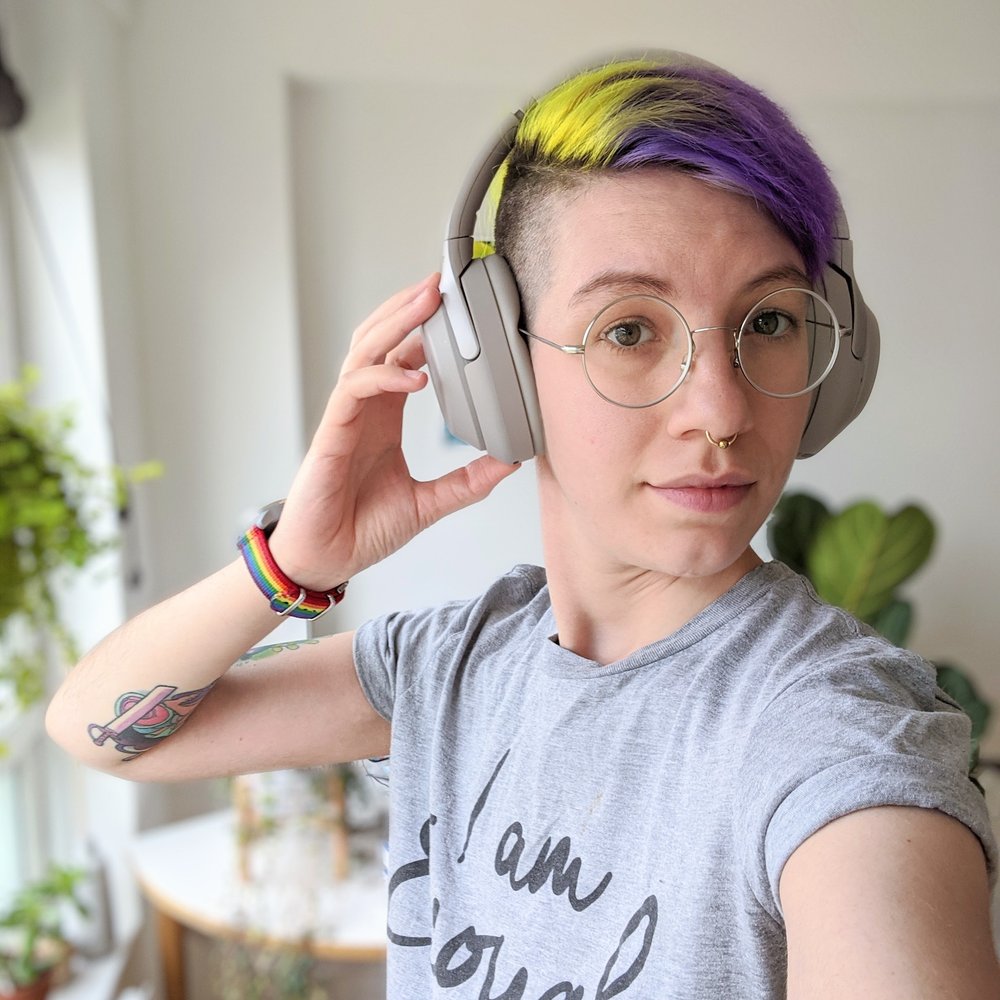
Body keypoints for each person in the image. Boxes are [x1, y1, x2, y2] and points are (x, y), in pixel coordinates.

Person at [47, 52, 999, 999]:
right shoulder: (450, 672)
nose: (720, 409)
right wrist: (290, 564)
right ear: (498, 371)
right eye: (629, 330)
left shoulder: (842, 732)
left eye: (770, 322)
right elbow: (105, 731)